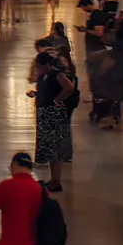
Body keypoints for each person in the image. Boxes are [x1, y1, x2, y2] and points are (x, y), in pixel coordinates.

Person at [30, 48, 76, 192]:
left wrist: (57, 100)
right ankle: (53, 179)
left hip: (53, 115)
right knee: (50, 149)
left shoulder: (56, 74)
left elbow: (69, 87)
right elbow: (48, 90)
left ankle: (57, 180)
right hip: (44, 113)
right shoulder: (43, 76)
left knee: (55, 148)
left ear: (45, 65)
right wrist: (37, 94)